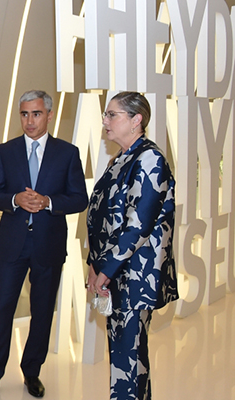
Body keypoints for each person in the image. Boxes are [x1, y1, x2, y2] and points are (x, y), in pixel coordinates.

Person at [0, 90, 88, 398]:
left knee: (42, 311)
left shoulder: (67, 153)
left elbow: (79, 198)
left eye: (36, 114)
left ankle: (32, 372)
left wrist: (48, 202)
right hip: (12, 246)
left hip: (48, 246)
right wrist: (15, 199)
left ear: (49, 115)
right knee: (2, 309)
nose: (29, 120)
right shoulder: (5, 151)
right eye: (24, 114)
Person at [86, 91, 178, 400]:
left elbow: (138, 225)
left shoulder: (150, 159)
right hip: (116, 272)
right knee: (126, 357)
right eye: (106, 114)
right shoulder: (122, 158)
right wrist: (94, 264)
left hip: (136, 275)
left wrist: (106, 270)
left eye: (112, 114)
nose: (105, 120)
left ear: (136, 120)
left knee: (128, 359)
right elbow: (102, 217)